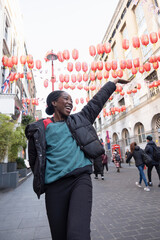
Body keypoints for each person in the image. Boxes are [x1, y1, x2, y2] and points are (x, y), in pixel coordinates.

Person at [25, 79, 117, 240]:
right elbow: (34, 159)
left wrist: (112, 83)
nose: (70, 102)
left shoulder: (79, 119)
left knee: (77, 234)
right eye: (66, 99)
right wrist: (42, 178)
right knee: (59, 235)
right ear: (54, 102)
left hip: (80, 180)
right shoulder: (40, 128)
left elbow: (97, 102)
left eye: (71, 100)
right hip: (54, 186)